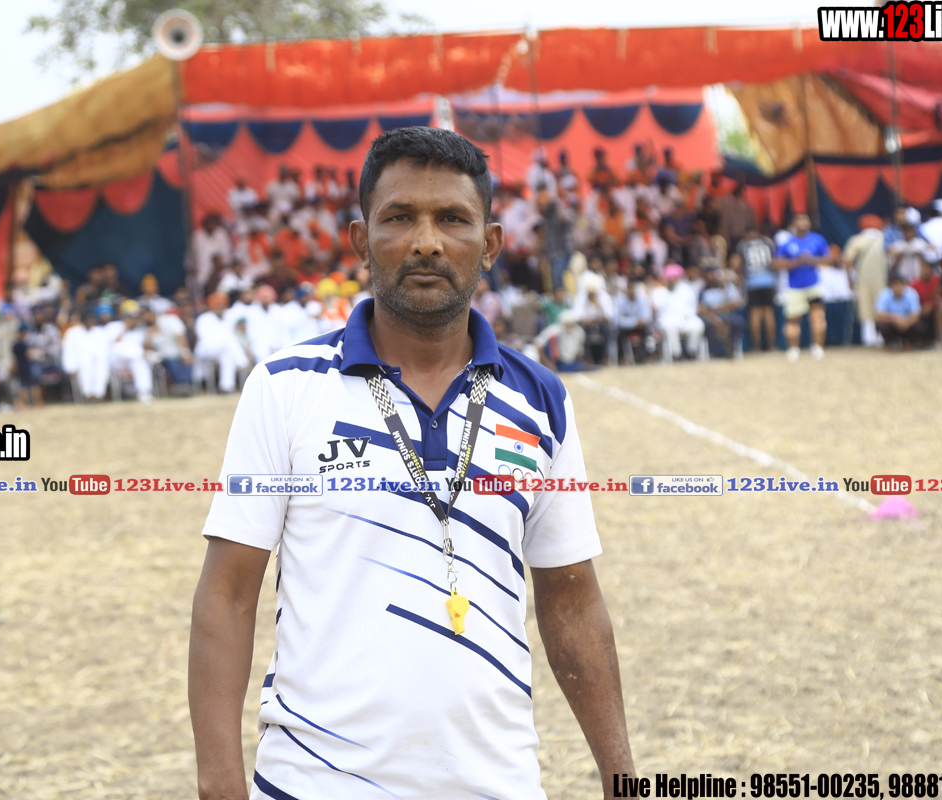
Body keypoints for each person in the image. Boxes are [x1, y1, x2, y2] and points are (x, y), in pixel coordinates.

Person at [190, 126, 634, 800]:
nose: (426, 241)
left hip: (497, 785)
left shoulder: (540, 400)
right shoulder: (285, 387)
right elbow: (226, 594)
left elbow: (572, 600)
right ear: (360, 240)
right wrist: (220, 785)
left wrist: (622, 778)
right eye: (399, 217)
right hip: (315, 785)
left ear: (490, 244)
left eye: (452, 218)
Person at [773, 212, 833, 361]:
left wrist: (812, 260)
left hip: (813, 286)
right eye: (800, 221)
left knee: (818, 317)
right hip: (795, 288)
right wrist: (797, 262)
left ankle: (818, 348)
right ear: (794, 224)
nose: (804, 223)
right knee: (793, 320)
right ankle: (793, 349)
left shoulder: (817, 239)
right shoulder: (788, 243)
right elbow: (776, 264)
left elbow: (829, 260)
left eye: (806, 220)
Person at [843, 214, 889, 346]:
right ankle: (882, 338)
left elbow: (847, 261)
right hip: (882, 280)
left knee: (865, 309)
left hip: (862, 280)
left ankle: (868, 339)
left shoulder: (856, 240)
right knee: (882, 308)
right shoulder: (885, 238)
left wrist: (849, 279)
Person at [874, 276, 925, 350]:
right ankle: (889, 343)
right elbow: (879, 314)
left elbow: (916, 314)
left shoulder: (911, 293)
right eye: (896, 284)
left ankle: (910, 342)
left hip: (908, 323)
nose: (898, 287)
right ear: (891, 286)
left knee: (919, 326)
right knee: (883, 326)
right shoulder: (884, 294)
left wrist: (906, 322)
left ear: (904, 285)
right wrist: (896, 319)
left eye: (900, 284)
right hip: (892, 323)